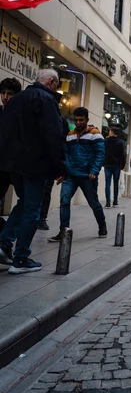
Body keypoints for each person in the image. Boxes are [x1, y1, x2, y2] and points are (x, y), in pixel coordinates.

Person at [0, 69, 64, 273]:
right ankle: (21, 258)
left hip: (13, 165)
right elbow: (53, 136)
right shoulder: (46, 100)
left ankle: (4, 243)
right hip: (34, 165)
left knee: (24, 203)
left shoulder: (17, 100)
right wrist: (60, 167)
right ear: (52, 82)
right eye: (57, 84)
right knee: (32, 209)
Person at [47, 107, 107, 242]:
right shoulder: (70, 135)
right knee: (64, 201)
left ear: (87, 119)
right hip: (71, 175)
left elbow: (100, 153)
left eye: (81, 120)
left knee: (94, 203)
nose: (78, 122)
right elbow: (66, 154)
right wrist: (63, 172)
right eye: (76, 120)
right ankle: (64, 231)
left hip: (87, 176)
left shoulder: (95, 134)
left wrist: (94, 170)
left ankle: (102, 226)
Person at [0, 77, 22, 211]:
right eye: (3, 93)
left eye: (9, 94)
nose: (5, 97)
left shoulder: (19, 116)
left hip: (13, 165)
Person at [104, 127, 126, 207]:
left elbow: (103, 152)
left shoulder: (106, 141)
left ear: (111, 132)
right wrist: (123, 165)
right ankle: (115, 200)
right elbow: (122, 155)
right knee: (116, 183)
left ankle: (108, 201)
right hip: (117, 165)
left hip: (107, 164)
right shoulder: (120, 142)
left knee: (107, 183)